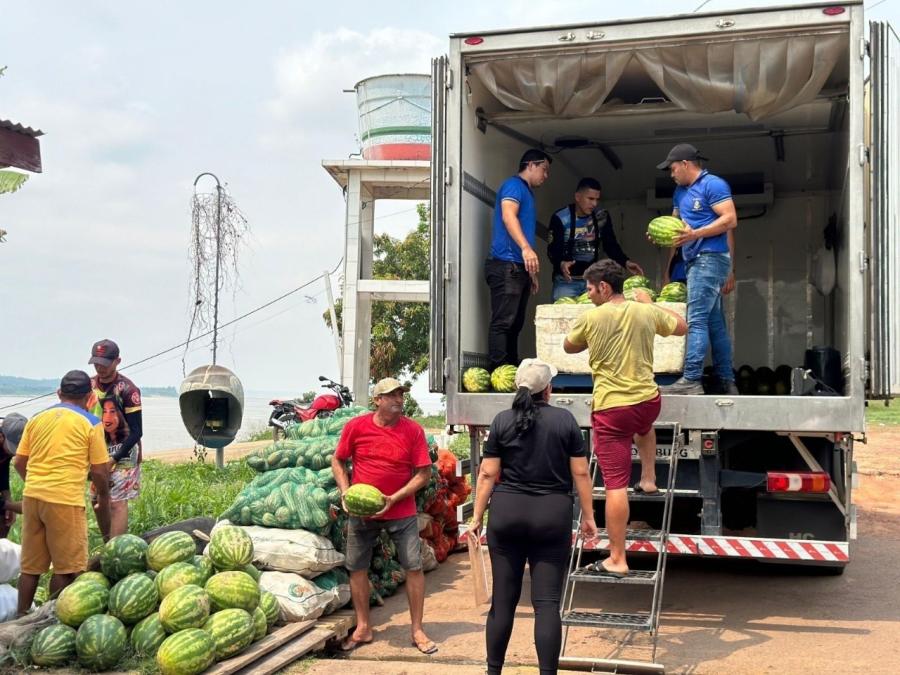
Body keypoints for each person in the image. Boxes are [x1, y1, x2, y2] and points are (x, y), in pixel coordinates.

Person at [469, 359, 597, 675]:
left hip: (507, 513)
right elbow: (581, 473)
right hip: (551, 516)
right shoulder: (565, 421)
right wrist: (589, 516)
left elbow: (487, 474)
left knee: (503, 602)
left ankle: (493, 671)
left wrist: (476, 517)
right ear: (548, 389)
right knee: (547, 604)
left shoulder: (501, 421)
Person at [563, 260, 686, 576]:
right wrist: (649, 302)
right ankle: (648, 479)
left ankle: (617, 559)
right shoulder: (645, 311)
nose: (588, 294)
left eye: (590, 289)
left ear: (604, 287)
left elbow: (568, 346)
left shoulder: (591, 317)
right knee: (644, 427)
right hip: (647, 401)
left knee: (615, 485)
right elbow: (682, 326)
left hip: (612, 411)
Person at [331, 377, 436, 655]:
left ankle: (417, 630)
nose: (399, 400)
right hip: (362, 512)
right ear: (377, 400)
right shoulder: (356, 427)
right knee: (357, 566)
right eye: (392, 395)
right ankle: (363, 627)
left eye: (401, 395)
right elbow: (337, 459)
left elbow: (424, 474)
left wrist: (394, 498)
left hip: (401, 510)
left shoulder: (413, 430)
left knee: (414, 567)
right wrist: (345, 491)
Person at [14, 370, 111, 616]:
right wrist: (103, 496)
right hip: (65, 501)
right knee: (67, 569)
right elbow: (99, 471)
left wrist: (36, 483)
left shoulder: (37, 418)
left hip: (33, 498)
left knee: (30, 568)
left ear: (59, 393)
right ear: (90, 397)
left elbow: (19, 461)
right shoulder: (91, 423)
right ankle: (50, 620)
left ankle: (20, 619)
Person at [654, 144, 738, 395]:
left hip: (709, 258)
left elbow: (730, 219)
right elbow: (674, 225)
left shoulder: (713, 185)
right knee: (714, 323)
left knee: (696, 320)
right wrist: (659, 236)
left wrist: (696, 234)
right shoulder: (680, 192)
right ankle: (726, 379)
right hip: (694, 260)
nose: (671, 174)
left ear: (686, 164)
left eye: (673, 169)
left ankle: (691, 378)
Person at [484, 148, 552, 370]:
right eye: (544, 169)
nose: (545, 176)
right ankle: (498, 372)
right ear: (531, 165)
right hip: (506, 264)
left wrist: (530, 271)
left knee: (515, 324)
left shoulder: (527, 192)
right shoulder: (513, 186)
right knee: (503, 323)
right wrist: (525, 248)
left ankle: (511, 371)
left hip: (518, 267)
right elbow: (508, 216)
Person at [548, 177, 644, 301]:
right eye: (590, 199)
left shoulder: (601, 216)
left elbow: (610, 245)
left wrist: (625, 262)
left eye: (597, 199)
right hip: (566, 282)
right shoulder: (560, 217)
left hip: (592, 281)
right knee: (561, 312)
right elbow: (552, 250)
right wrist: (561, 263)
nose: (594, 204)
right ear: (578, 197)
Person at [87, 339, 143, 536]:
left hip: (123, 453)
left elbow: (136, 431)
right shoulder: (89, 386)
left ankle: (117, 547)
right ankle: (108, 544)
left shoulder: (127, 389)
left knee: (116, 503)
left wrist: (114, 459)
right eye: (96, 363)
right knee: (96, 500)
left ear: (117, 361)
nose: (100, 368)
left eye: (104, 363)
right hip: (97, 453)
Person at [0, 413, 27, 538]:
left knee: (4, 522)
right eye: (13, 448)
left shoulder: (5, 450)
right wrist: (8, 505)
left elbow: (3, 472)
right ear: (1, 436)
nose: (15, 453)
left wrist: (8, 499)